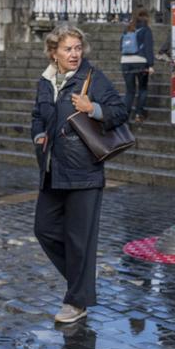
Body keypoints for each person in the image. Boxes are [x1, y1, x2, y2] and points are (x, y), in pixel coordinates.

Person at [31, 26, 128, 323]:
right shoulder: (46, 81)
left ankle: (76, 301)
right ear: (53, 53)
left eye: (77, 48)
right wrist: (37, 135)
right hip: (52, 170)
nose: (74, 54)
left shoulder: (92, 78)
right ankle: (81, 276)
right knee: (43, 228)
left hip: (84, 172)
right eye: (67, 49)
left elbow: (120, 110)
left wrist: (93, 108)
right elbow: (38, 115)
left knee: (78, 239)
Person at [120, 7, 155, 123]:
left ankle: (124, 117)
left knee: (129, 91)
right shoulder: (146, 29)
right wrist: (150, 65)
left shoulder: (127, 29)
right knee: (143, 89)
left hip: (125, 62)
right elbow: (149, 48)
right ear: (147, 18)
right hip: (140, 62)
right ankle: (138, 114)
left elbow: (121, 47)